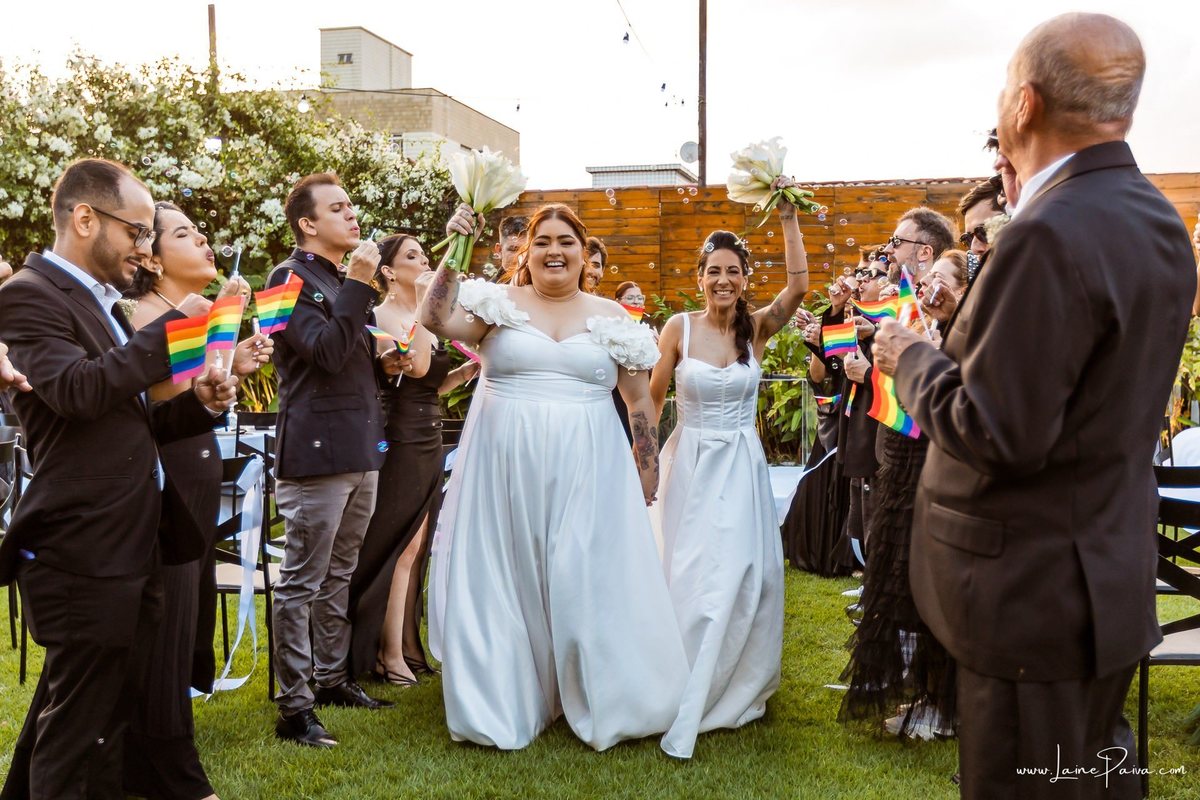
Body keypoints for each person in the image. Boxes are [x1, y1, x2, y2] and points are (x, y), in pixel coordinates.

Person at [874, 13, 1195, 797]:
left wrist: (912, 357)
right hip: (1103, 578)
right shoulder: (1158, 219)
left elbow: (997, 430)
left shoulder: (1046, 233)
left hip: (1030, 599)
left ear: (1024, 105)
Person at [0, 158, 238, 800]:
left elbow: (123, 426)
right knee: (79, 738)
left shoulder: (101, 303)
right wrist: (177, 327)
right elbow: (76, 395)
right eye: (136, 232)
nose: (145, 249)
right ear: (84, 219)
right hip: (83, 547)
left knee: (106, 728)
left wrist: (200, 405)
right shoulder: (26, 295)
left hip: (131, 539)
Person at [421, 202, 688, 751]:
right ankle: (506, 697)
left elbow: (639, 400)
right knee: (506, 575)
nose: (554, 250)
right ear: (526, 250)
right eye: (542, 240)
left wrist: (647, 467)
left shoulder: (614, 317)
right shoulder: (496, 304)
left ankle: (600, 692)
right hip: (503, 464)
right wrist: (455, 249)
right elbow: (434, 318)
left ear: (584, 251)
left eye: (566, 240)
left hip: (590, 464)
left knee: (583, 573)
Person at [647, 177, 807, 758]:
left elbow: (798, 286)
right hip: (690, 461)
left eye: (733, 271)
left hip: (740, 464)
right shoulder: (678, 329)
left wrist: (786, 214)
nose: (723, 280)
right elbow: (652, 398)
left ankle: (734, 680)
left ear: (744, 279)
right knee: (690, 570)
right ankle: (682, 675)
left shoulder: (757, 329)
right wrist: (644, 461)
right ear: (700, 278)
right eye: (713, 270)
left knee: (745, 571)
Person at [122, 201, 271, 800]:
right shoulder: (143, 316)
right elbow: (157, 400)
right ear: (153, 259)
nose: (205, 242)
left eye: (203, 232)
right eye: (185, 234)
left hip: (197, 471)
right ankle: (170, 768)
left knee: (185, 624)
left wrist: (227, 352)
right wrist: (209, 331)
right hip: (168, 474)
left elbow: (194, 390)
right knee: (165, 624)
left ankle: (153, 753)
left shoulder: (188, 312)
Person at [269, 172, 403, 749]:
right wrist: (363, 285)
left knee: (338, 574)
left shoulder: (342, 280)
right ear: (307, 223)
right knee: (301, 581)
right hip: (315, 454)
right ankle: (294, 707)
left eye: (352, 206)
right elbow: (321, 354)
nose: (353, 215)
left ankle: (330, 678)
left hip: (358, 446)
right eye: (339, 208)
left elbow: (345, 349)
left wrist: (383, 362)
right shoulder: (285, 278)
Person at [840, 207, 957, 741]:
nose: (891, 249)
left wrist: (880, 371)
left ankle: (937, 698)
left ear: (925, 251)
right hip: (897, 451)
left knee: (920, 576)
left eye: (899, 241)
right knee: (892, 572)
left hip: (923, 457)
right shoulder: (906, 302)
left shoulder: (936, 309)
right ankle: (912, 685)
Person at [348, 233, 478, 688]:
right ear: (387, 271)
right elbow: (416, 367)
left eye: (425, 253)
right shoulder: (381, 316)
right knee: (400, 546)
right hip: (397, 438)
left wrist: (463, 373)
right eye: (412, 256)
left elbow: (431, 384)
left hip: (428, 433)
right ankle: (386, 654)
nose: (424, 261)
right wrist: (427, 306)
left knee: (418, 546)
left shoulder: (423, 315)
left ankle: (404, 644)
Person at [496, 215, 528, 283]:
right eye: (514, 249)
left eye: (526, 250)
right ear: (499, 250)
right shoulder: (487, 290)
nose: (521, 257)